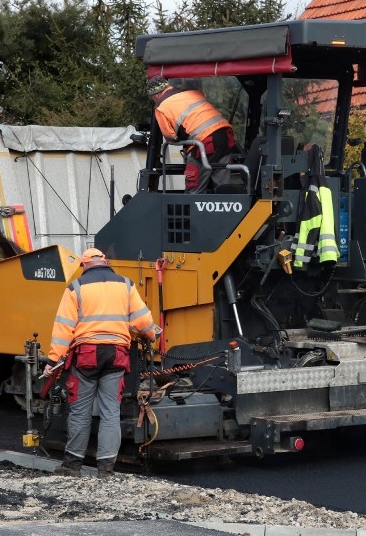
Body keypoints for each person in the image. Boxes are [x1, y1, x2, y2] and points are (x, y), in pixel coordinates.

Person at [44, 247, 156, 477]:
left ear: (84, 265)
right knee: (110, 412)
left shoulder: (76, 288)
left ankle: (72, 466)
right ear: (104, 262)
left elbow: (63, 327)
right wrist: (150, 336)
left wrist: (53, 359)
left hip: (87, 355)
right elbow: (144, 321)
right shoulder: (126, 285)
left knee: (80, 412)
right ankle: (106, 470)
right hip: (116, 354)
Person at [147, 74, 235, 193]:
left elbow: (170, 136)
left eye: (153, 98)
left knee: (193, 189)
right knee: (222, 186)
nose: (154, 100)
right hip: (225, 135)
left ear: (157, 94)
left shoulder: (162, 107)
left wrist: (182, 140)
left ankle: (192, 209)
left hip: (205, 142)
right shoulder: (189, 93)